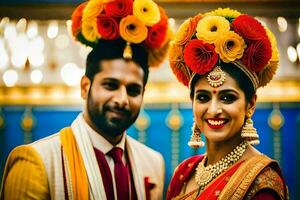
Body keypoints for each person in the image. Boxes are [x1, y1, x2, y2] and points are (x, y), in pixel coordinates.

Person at [0, 0, 171, 199]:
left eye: (133, 90)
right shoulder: (38, 161)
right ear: (85, 87)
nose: (122, 99)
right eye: (110, 85)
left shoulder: (152, 162)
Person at [166, 8, 289, 200]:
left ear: (251, 104)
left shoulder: (261, 183)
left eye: (227, 98)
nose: (213, 110)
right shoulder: (184, 173)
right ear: (192, 102)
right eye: (203, 97)